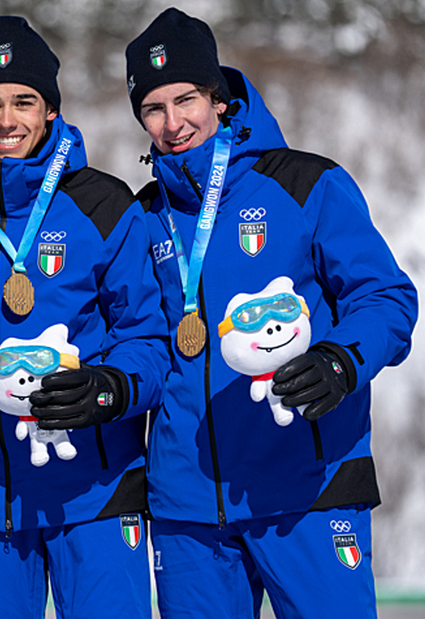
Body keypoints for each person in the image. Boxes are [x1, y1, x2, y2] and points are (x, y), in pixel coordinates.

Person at [125, 8, 418, 618]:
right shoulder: (145, 212)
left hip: (306, 484)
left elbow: (386, 297)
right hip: (188, 503)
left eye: (187, 99)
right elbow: (142, 340)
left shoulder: (307, 182)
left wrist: (340, 362)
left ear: (220, 99)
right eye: (154, 108)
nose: (174, 123)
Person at [0, 16, 169, 619]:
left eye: (24, 102)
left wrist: (109, 390)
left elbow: (149, 336)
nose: (7, 120)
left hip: (96, 492)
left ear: (50, 109)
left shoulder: (103, 204)